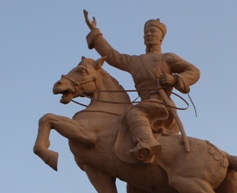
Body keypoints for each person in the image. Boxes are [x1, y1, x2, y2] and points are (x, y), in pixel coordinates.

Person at [84, 10, 200, 162]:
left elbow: (194, 71)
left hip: (160, 104)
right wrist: (95, 32)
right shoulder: (135, 61)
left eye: (152, 32)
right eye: (146, 33)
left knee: (133, 113)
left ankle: (147, 143)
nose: (148, 35)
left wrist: (174, 80)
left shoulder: (167, 58)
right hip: (145, 103)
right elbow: (112, 56)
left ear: (161, 37)